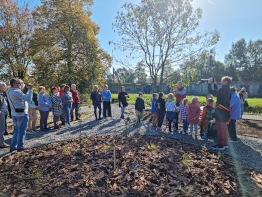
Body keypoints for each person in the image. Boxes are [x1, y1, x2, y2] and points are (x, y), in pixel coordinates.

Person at [7, 78, 33, 152]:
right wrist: (30, 89)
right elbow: (28, 98)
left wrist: (25, 88)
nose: (20, 85)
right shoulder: (16, 91)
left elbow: (21, 94)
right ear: (14, 84)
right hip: (21, 114)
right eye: (19, 83)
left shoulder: (9, 90)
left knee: (16, 131)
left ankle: (13, 146)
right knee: (21, 131)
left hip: (14, 114)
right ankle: (20, 146)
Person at [208, 76, 232, 150]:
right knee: (224, 128)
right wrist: (215, 84)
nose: (220, 82)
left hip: (220, 111)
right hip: (225, 111)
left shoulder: (223, 89)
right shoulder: (229, 89)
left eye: (222, 81)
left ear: (226, 82)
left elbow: (211, 92)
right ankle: (225, 144)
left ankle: (220, 145)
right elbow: (218, 92)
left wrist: (209, 84)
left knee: (219, 128)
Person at [0, 82, 9, 148]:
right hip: (1, 113)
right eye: (3, 86)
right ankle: (1, 143)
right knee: (1, 128)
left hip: (4, 113)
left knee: (3, 127)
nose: (5, 87)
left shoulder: (2, 94)